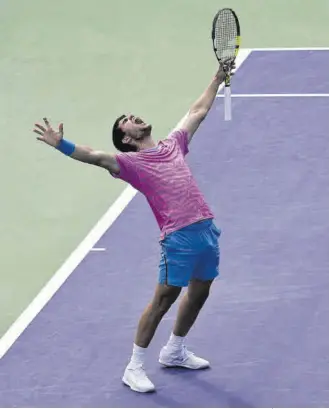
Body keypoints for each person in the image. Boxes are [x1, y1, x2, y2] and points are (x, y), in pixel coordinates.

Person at [33, 59, 235, 393]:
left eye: (131, 115)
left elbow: (197, 111)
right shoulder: (130, 164)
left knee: (200, 293)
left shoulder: (173, 145)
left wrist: (217, 78)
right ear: (126, 140)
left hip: (205, 232)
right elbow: (95, 156)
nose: (132, 117)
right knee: (162, 300)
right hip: (178, 240)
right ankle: (134, 366)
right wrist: (62, 145)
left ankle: (174, 350)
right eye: (125, 121)